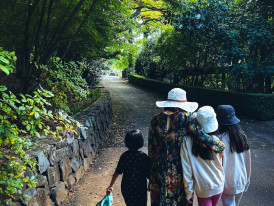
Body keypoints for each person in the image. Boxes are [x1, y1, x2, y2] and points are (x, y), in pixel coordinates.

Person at [148, 88, 225, 206]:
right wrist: (219, 145)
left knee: (160, 201)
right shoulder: (188, 118)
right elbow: (202, 137)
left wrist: (151, 173)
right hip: (179, 171)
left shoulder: (156, 119)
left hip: (159, 168)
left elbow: (151, 149)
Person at [181, 106, 224, 206]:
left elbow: (187, 170)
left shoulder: (187, 141)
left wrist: (189, 192)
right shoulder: (216, 142)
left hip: (203, 188)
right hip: (219, 184)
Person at [216, 105, 251, 206]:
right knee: (235, 203)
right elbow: (247, 160)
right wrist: (247, 179)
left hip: (227, 181)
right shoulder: (242, 136)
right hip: (241, 178)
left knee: (230, 203)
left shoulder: (219, 139)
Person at [107, 129, 150, 206]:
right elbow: (149, 174)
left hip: (127, 187)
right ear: (141, 142)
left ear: (126, 142)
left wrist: (111, 185)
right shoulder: (144, 157)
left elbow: (117, 172)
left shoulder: (124, 156)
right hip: (140, 188)